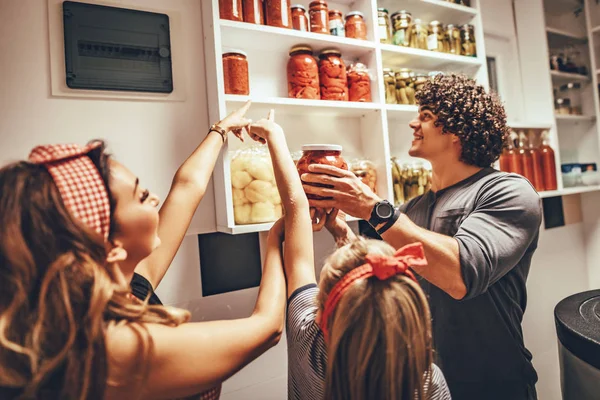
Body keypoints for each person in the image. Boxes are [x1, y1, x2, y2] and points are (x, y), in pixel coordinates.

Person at [0, 102, 288, 399]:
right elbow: (267, 328)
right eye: (141, 196)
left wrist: (220, 130)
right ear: (108, 245)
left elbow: (187, 187)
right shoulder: (108, 347)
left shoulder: (126, 285)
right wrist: (278, 237)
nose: (155, 198)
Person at [303, 74, 542, 400]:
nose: (415, 123)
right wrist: (339, 226)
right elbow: (384, 270)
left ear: (457, 130)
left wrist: (372, 207)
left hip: (496, 385)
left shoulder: (507, 192)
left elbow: (459, 274)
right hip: (426, 387)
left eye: (427, 116)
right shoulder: (413, 208)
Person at [248, 113, 451, 400]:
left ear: (324, 313)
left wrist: (273, 135)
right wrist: (341, 229)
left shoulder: (311, 344)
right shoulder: (426, 379)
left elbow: (296, 215)